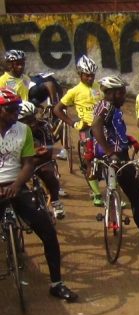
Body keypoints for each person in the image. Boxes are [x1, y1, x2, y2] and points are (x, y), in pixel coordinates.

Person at [0, 88, 77, 301]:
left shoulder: (23, 130)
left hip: (17, 185)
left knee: (48, 232)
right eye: (10, 110)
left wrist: (16, 185)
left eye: (17, 109)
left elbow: (28, 163)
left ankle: (56, 283)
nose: (16, 113)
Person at [91, 76, 139, 257]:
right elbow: (95, 127)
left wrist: (129, 140)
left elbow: (114, 132)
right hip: (116, 158)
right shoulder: (106, 107)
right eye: (120, 92)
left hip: (121, 154)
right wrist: (110, 152)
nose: (124, 94)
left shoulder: (113, 108)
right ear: (109, 93)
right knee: (136, 198)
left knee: (137, 190)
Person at [54, 55, 104, 206]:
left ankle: (111, 189)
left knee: (109, 156)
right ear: (80, 74)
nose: (90, 78)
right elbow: (57, 110)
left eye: (92, 75)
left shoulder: (99, 87)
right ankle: (96, 193)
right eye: (87, 75)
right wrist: (73, 123)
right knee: (90, 159)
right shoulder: (74, 91)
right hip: (86, 128)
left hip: (101, 126)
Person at [18, 101, 64, 219]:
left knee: (48, 174)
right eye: (27, 121)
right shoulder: (9, 131)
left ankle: (56, 201)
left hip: (39, 161)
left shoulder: (43, 127)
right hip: (19, 163)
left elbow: (47, 153)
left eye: (33, 118)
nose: (33, 123)